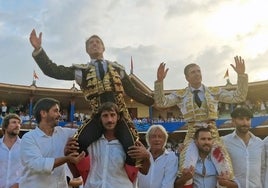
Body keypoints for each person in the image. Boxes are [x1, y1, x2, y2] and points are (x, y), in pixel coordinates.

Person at [29, 29, 154, 166]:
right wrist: (39, 50)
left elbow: (133, 91)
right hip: (97, 116)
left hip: (120, 116)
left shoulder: (118, 69)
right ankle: (81, 178)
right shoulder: (81, 71)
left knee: (134, 152)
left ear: (103, 47)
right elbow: (53, 70)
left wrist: (153, 101)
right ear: (87, 50)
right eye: (91, 43)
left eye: (98, 42)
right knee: (75, 147)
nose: (95, 44)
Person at [154, 56, 248, 187]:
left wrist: (241, 75)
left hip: (212, 136)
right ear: (186, 77)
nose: (197, 74)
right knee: (185, 171)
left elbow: (239, 96)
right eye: (193, 72)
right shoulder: (181, 95)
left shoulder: (213, 92)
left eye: (199, 71)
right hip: (192, 136)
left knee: (225, 171)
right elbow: (161, 102)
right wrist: (159, 82)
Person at [65, 102, 150, 188]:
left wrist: (146, 156)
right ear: (100, 118)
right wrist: (67, 156)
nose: (109, 120)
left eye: (112, 115)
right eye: (105, 116)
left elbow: (145, 171)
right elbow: (76, 174)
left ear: (118, 117)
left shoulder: (128, 143)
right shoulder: (91, 143)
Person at [19, 97, 85, 188]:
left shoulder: (64, 133)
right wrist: (67, 159)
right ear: (43, 113)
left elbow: (85, 133)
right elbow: (37, 164)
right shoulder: (29, 138)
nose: (59, 115)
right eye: (56, 111)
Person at [174, 127, 239, 188]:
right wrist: (185, 178)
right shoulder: (187, 158)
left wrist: (226, 183)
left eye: (209, 139)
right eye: (203, 139)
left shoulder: (220, 159)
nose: (206, 142)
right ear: (196, 141)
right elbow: (175, 185)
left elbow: (236, 185)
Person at [222, 107, 265, 188]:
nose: (245, 123)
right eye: (241, 119)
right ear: (233, 121)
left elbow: (262, 169)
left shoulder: (259, 143)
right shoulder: (224, 141)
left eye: (248, 119)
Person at [0, 113, 23, 188]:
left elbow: (29, 170)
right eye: (14, 122)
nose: (17, 125)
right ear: (5, 126)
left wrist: (18, 185)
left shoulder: (25, 146)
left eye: (19, 123)